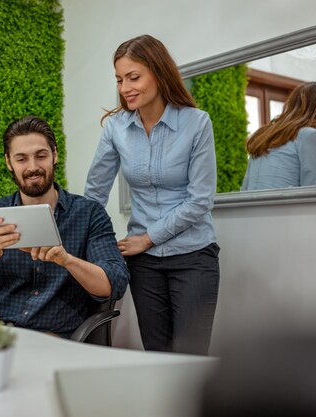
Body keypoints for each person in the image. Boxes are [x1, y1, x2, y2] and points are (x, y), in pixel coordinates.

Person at [84, 34, 220, 355]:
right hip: (143, 265)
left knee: (190, 358)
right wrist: (84, 243)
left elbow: (200, 199)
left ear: (158, 73)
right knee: (157, 356)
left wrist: (147, 238)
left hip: (193, 257)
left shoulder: (196, 123)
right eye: (119, 79)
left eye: (134, 77)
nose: (125, 88)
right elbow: (94, 193)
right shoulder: (115, 128)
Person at [0, 116, 129, 338]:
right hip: (1, 334)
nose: (33, 167)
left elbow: (115, 282)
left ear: (54, 155)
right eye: (21, 159)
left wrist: (66, 260)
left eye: (40, 156)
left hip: (56, 337)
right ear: (8, 162)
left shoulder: (89, 213)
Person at [241, 81, 316, 191]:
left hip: (252, 207)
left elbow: (245, 189)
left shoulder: (263, 136)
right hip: (286, 207)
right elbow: (313, 190)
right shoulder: (310, 135)